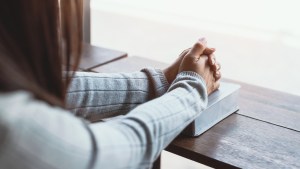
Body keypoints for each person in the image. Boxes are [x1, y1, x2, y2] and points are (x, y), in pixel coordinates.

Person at [0, 0, 221, 169]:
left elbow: (41, 87)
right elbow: (115, 152)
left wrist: (158, 82)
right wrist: (192, 89)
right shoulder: (12, 127)